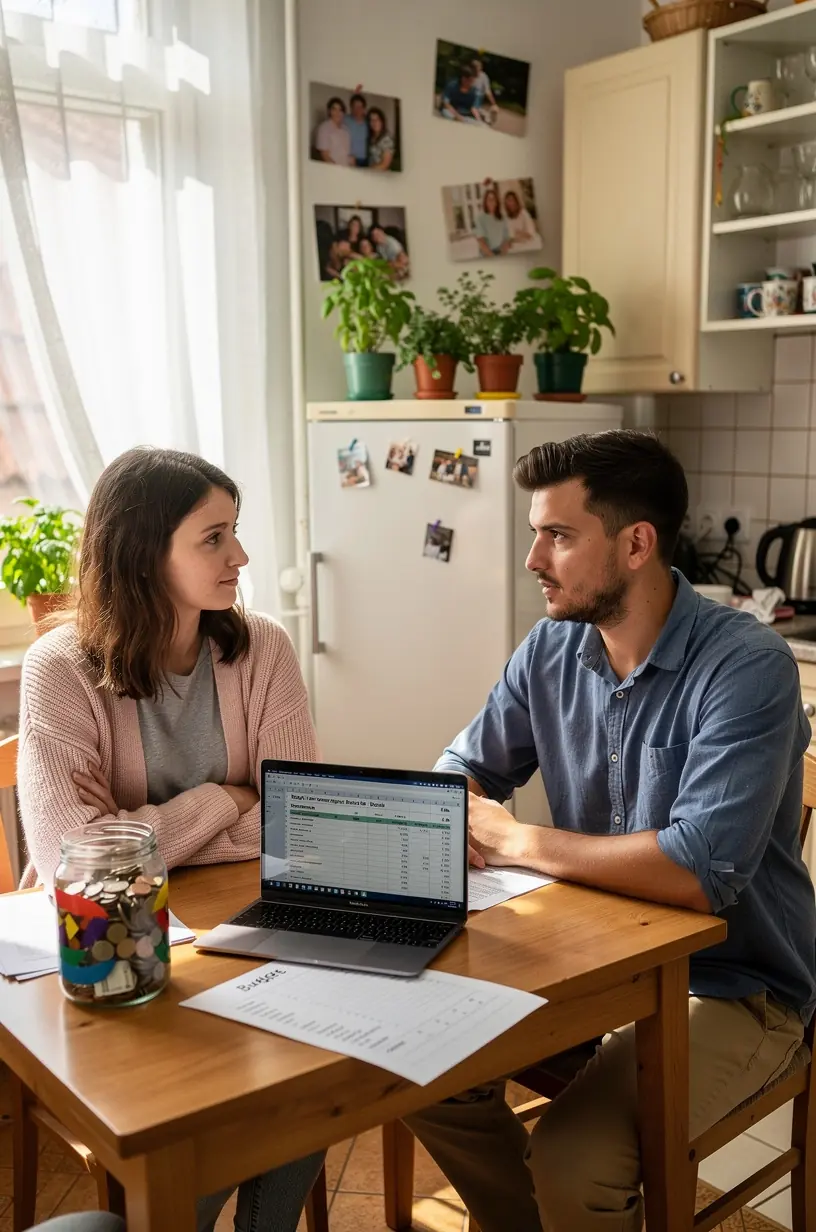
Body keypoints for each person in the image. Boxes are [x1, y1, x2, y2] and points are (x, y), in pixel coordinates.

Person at [406, 430, 816, 1232]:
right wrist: (454, 803)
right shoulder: (551, 650)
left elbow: (699, 870)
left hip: (735, 987)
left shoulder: (748, 666)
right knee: (416, 1068)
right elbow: (460, 771)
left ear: (636, 543)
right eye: (537, 532)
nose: (533, 558)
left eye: (557, 535)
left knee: (574, 1159)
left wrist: (516, 838)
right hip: (592, 965)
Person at [17, 447, 325, 1232]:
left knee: (316, 1067)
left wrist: (150, 836)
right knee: (207, 1098)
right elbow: (73, 855)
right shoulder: (59, 667)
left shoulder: (263, 648)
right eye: (213, 537)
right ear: (143, 551)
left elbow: (300, 820)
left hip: (232, 924)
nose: (241, 557)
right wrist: (225, 798)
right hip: (103, 946)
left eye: (236, 532)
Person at [315, 96, 353, 166]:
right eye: (334, 109)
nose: (337, 113)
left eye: (340, 110)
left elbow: (348, 153)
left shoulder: (346, 129)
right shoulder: (324, 128)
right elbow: (325, 156)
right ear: (329, 111)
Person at [474, 187, 509, 258]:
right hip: (486, 254)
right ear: (485, 202)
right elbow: (481, 242)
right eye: (489, 199)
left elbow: (506, 239)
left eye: (493, 199)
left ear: (497, 202)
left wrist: (503, 254)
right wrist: (492, 257)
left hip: (500, 252)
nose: (491, 201)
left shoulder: (503, 217)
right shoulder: (480, 218)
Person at [344, 92, 369, 167]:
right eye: (355, 107)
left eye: (360, 107)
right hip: (349, 159)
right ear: (351, 107)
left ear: (364, 108)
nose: (357, 110)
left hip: (367, 160)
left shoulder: (369, 122)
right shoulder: (345, 119)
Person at [367, 106, 395, 171]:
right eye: (372, 120)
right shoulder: (372, 136)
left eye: (377, 119)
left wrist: (369, 169)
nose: (374, 122)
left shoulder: (387, 138)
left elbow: (385, 165)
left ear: (382, 121)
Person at [471, 58, 498, 122]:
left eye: (477, 68)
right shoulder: (469, 75)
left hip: (478, 96)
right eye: (474, 69)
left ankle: (479, 114)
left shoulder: (484, 77)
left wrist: (493, 103)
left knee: (476, 97)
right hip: (470, 94)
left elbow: (487, 91)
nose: (476, 71)